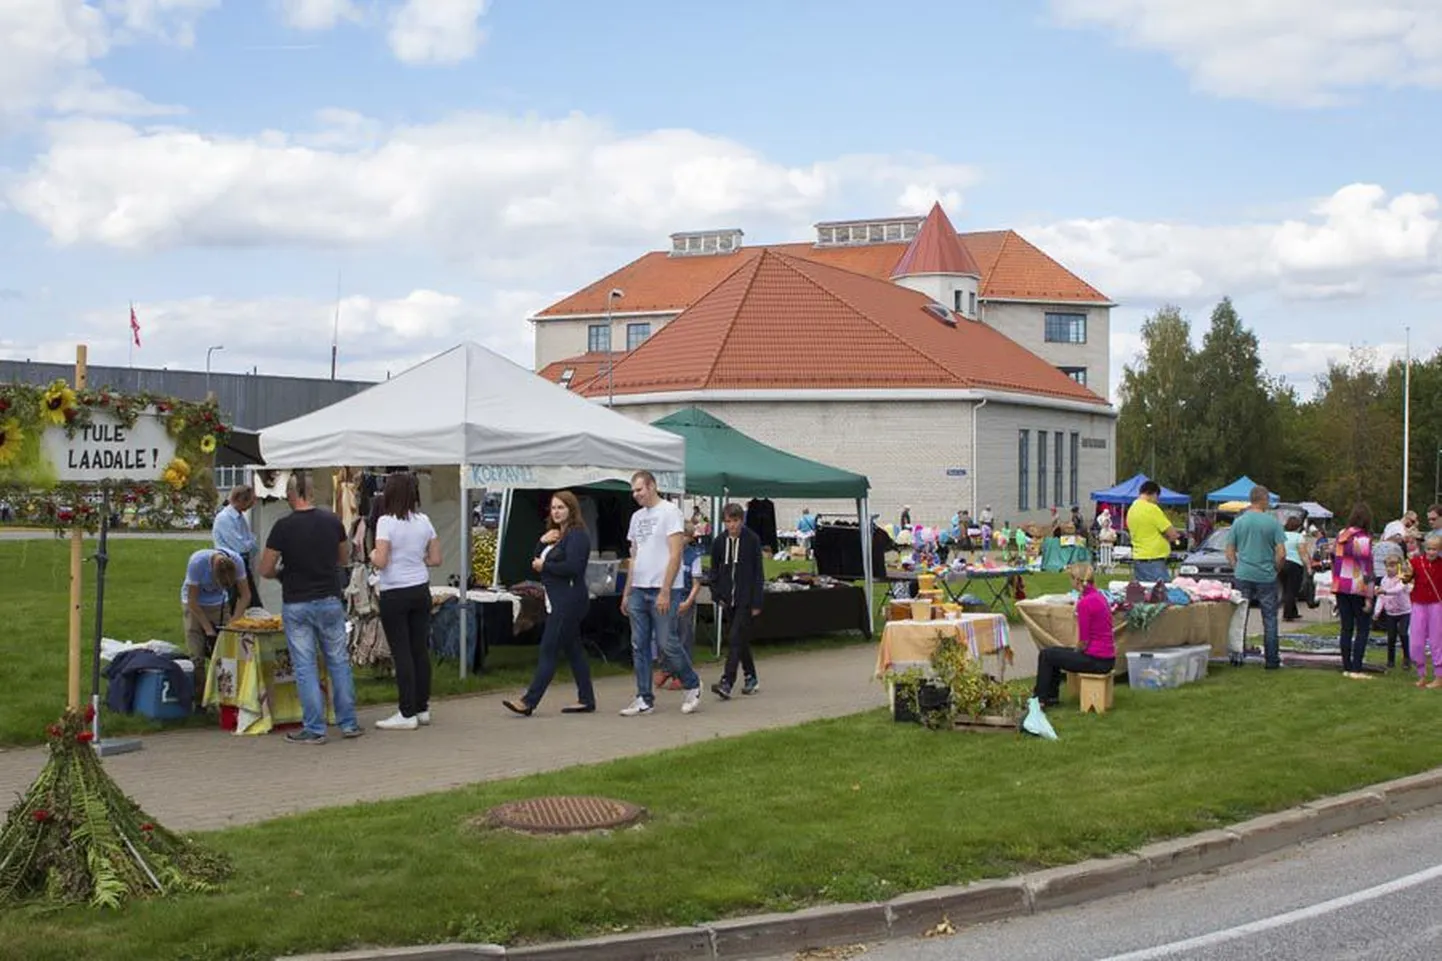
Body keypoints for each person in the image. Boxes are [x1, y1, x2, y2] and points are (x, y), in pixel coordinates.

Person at [258, 471, 363, 743]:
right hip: (329, 598)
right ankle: (348, 723)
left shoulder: (283, 526)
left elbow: (265, 568)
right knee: (339, 661)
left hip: (297, 602)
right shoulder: (332, 521)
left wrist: (282, 573)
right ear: (313, 493)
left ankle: (315, 728)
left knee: (305, 667)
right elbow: (343, 559)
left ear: (292, 495)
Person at [504, 491, 596, 716]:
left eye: (561, 508)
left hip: (569, 600)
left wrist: (546, 568)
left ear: (571, 510)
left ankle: (529, 701)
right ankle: (587, 699)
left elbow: (573, 567)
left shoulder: (577, 536)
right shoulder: (557, 535)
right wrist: (541, 542)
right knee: (574, 650)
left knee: (549, 649)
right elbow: (538, 560)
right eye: (553, 508)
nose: (556, 512)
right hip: (555, 599)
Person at [619, 471, 701, 716]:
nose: (636, 495)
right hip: (638, 588)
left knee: (667, 642)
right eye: (633, 491)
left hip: (663, 588)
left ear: (652, 486)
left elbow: (675, 553)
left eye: (639, 489)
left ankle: (692, 683)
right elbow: (634, 557)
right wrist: (627, 591)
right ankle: (644, 697)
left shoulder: (669, 512)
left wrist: (666, 590)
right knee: (639, 644)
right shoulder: (635, 518)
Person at [369, 472, 442, 731]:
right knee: (419, 650)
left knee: (402, 653)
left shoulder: (386, 522)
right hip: (420, 589)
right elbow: (435, 559)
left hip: (394, 591)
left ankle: (406, 712)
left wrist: (371, 553)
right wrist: (415, 560)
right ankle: (422, 707)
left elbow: (381, 560)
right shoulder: (424, 521)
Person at [1032, 564, 1114, 707]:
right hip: (1106, 658)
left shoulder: (1085, 603)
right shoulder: (1099, 596)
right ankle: (1049, 697)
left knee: (1047, 655)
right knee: (1054, 652)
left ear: (1076, 581)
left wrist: (1076, 651)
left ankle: (1040, 698)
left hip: (1096, 659)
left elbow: (1084, 640)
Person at [1225, 486, 1286, 670]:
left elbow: (1229, 551)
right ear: (1264, 500)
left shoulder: (1239, 522)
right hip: (1266, 575)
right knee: (1269, 618)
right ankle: (1272, 660)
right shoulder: (1273, 523)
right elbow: (1281, 553)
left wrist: (1237, 566)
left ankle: (1237, 656)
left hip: (1243, 573)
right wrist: (1275, 569)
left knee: (1240, 617)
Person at [710, 503, 765, 700]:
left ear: (741, 520)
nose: (732, 526)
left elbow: (758, 572)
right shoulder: (719, 542)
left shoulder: (752, 540)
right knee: (739, 640)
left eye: (735, 521)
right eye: (728, 522)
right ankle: (751, 676)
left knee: (734, 638)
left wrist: (757, 602)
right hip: (728, 599)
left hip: (745, 598)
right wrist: (716, 593)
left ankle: (727, 681)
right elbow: (714, 569)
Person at [181, 546, 249, 702]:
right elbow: (192, 601)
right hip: (194, 606)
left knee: (226, 655)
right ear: (212, 573)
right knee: (196, 655)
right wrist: (207, 629)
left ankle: (226, 698)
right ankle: (200, 701)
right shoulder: (197, 563)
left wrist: (233, 622)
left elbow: (246, 596)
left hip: (219, 605)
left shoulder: (237, 561)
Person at [1331, 502, 1375, 679]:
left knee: (1346, 628)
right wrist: (1369, 596)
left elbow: (1334, 559)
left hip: (1342, 586)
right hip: (1358, 587)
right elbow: (1368, 569)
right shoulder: (1365, 540)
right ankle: (1357, 667)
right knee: (1362, 629)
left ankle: (1346, 665)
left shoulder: (1342, 535)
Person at [212, 485, 259, 613]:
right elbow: (241, 546)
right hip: (228, 565)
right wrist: (250, 542)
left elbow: (252, 546)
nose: (251, 505)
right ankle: (229, 626)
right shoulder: (225, 519)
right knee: (232, 601)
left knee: (252, 601)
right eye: (250, 501)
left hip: (241, 563)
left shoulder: (240, 517)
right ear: (240, 500)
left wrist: (250, 543)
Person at [1125, 481, 1180, 584]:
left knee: (1143, 593)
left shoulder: (1131, 510)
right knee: (1161, 593)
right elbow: (1172, 534)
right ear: (1153, 494)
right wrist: (1169, 538)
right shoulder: (1152, 509)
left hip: (1138, 557)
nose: (1157, 501)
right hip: (1154, 559)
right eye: (1157, 497)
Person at [1409, 533, 1442, 688]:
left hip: (1437, 604)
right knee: (1416, 641)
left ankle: (1439, 675)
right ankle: (1421, 673)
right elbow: (1405, 577)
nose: (1431, 552)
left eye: (1435, 549)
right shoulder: (1415, 562)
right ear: (1424, 548)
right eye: (1429, 549)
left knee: (1437, 640)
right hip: (1418, 604)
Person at [1376, 554, 1413, 672]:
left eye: (1392, 566)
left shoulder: (1403, 579)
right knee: (1391, 637)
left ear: (1398, 567)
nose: (1389, 569)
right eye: (1387, 566)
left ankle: (1407, 658)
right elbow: (1380, 598)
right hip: (1390, 613)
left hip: (1404, 611)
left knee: (1403, 634)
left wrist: (1385, 591)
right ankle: (1390, 660)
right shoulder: (1384, 580)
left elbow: (1397, 590)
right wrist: (1377, 612)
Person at [1278, 515, 1309, 622]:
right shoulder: (1299, 537)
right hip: (1295, 564)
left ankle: (1293, 611)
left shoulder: (1281, 535)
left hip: (1282, 563)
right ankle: (1287, 614)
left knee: (1286, 588)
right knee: (1293, 590)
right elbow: (1303, 554)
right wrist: (1308, 567)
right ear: (1298, 527)